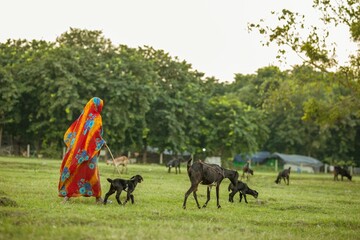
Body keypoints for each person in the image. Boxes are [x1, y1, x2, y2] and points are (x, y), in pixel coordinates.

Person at [58, 97, 106, 203]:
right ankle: (98, 198)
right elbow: (96, 134)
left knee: (76, 171)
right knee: (92, 173)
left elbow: (75, 133)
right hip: (90, 152)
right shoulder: (97, 117)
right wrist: (101, 142)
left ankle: (67, 197)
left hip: (79, 152)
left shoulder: (83, 117)